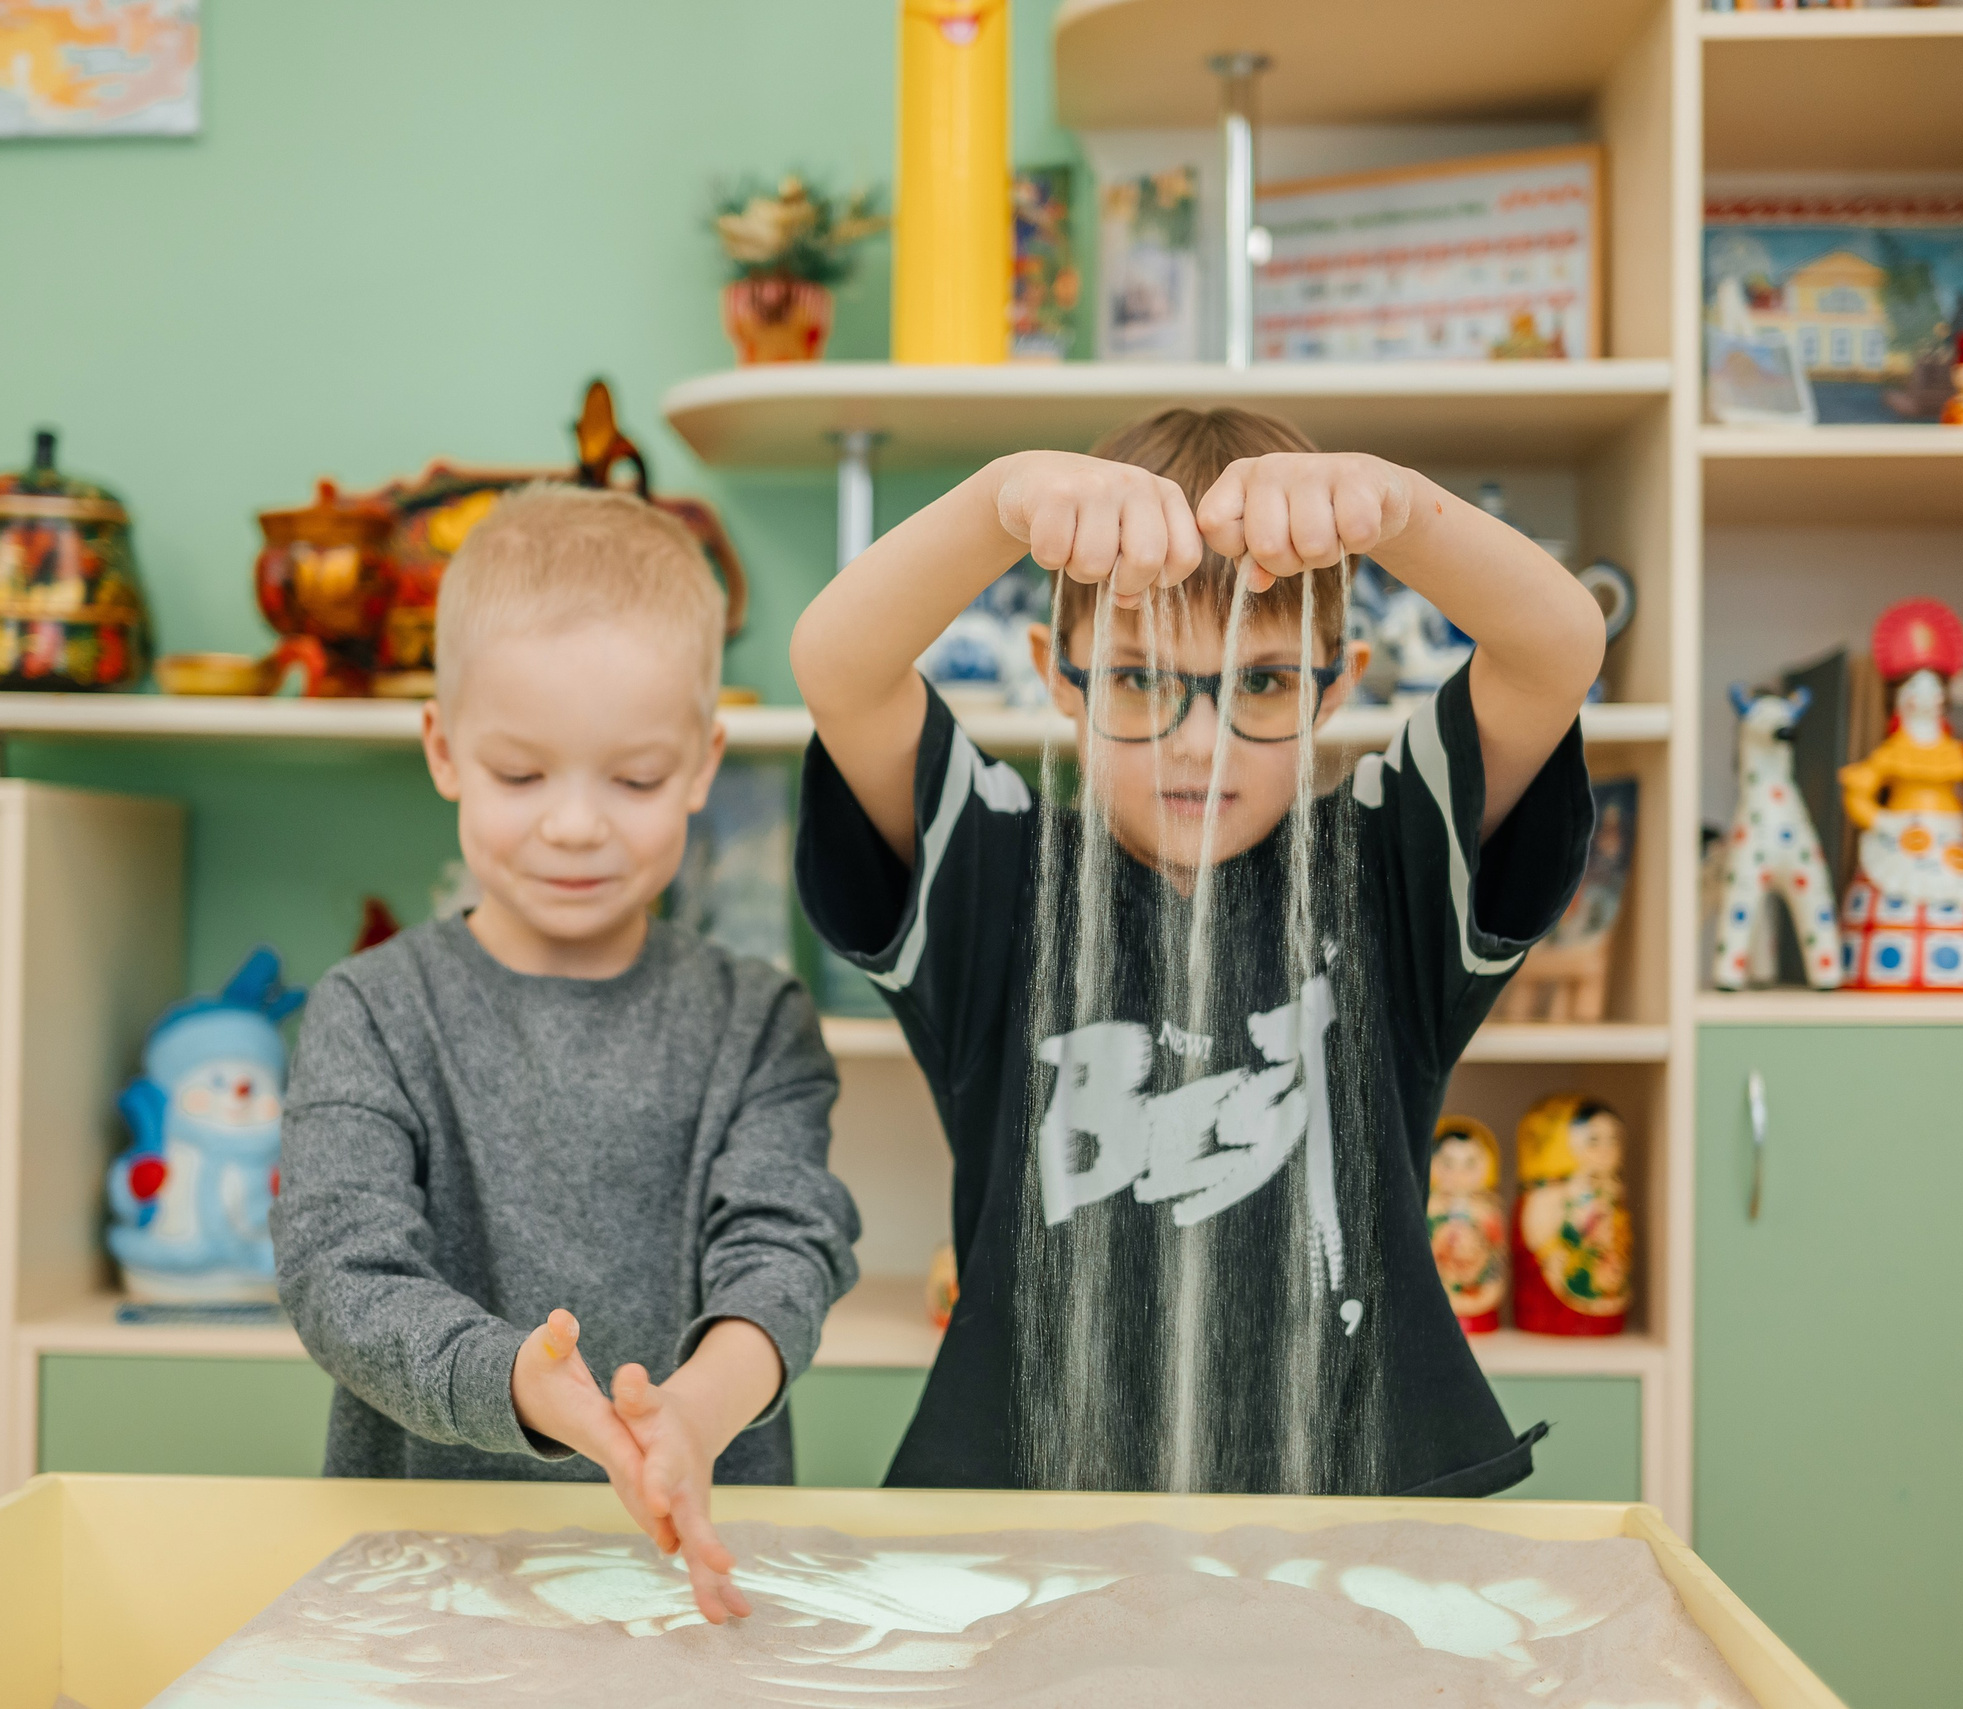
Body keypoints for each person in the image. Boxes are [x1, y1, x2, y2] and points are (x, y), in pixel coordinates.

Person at [789, 407, 1601, 1496]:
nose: (1196, 743)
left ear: (1337, 683)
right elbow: (837, 666)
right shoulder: (998, 872)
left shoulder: (1384, 862)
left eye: (1261, 682)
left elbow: (1558, 647)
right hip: (1030, 1516)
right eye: (1136, 679)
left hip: (1353, 1513)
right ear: (1058, 675)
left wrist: (1396, 505)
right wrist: (1000, 498)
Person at [274, 485, 860, 1623]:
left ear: (701, 762)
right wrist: (520, 1384)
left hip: (689, 1578)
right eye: (521, 774)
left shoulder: (759, 1019)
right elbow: (339, 1272)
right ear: (443, 748)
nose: (577, 823)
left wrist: (692, 1413)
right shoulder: (372, 1008)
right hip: (431, 1588)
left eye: (634, 779)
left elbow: (784, 1257)